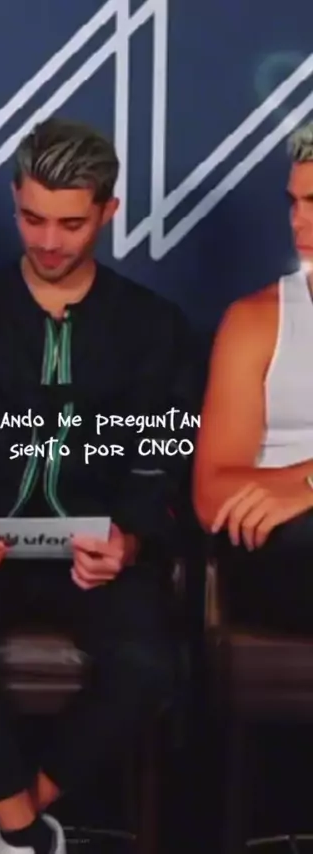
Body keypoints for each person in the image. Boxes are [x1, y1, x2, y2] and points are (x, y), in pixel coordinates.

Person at [0, 118, 198, 854]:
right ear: (14, 201)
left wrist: (130, 540)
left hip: (97, 561)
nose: (49, 242)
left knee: (150, 661)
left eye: (70, 224)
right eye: (31, 218)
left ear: (109, 212)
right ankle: (28, 839)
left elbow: (165, 458)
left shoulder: (156, 326)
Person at [193, 120, 313, 633]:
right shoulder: (257, 320)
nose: (298, 222)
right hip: (285, 551)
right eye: (294, 202)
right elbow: (212, 497)